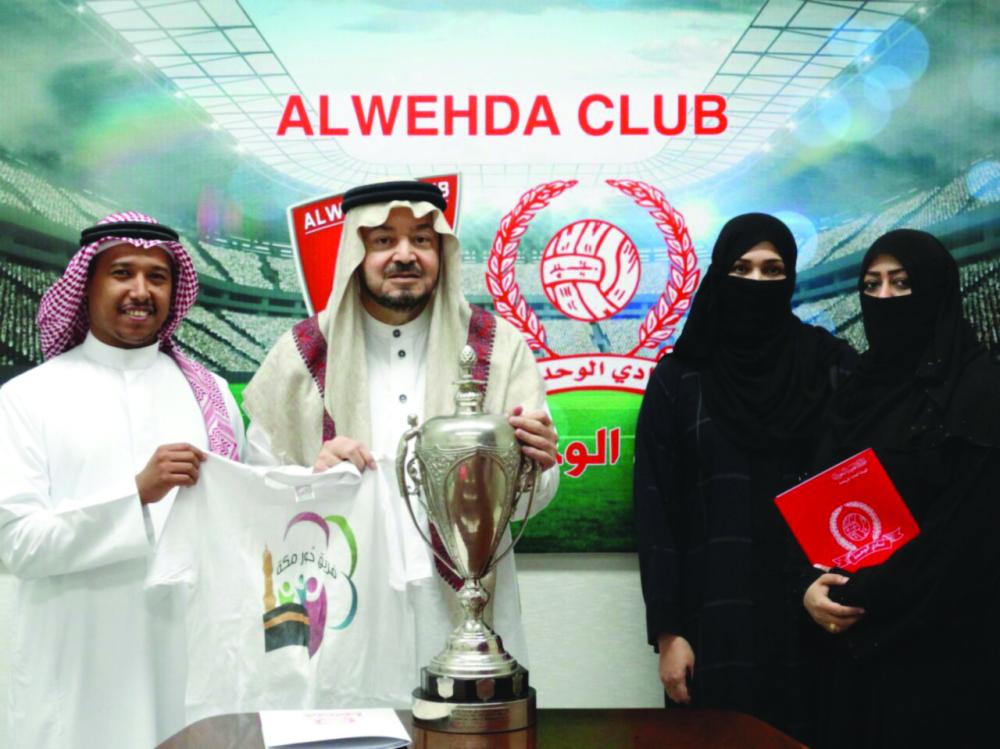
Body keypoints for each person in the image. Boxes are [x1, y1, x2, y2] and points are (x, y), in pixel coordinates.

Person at [242, 180, 559, 687]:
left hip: (463, 612)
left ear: (442, 252)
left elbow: (532, 499)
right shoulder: (301, 355)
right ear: (356, 253)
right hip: (343, 611)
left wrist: (537, 466)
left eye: (422, 240)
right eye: (384, 240)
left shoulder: (497, 347)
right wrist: (313, 481)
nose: (405, 255)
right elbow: (256, 494)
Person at [0, 212, 246, 749]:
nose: (141, 291)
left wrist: (327, 471)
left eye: (157, 277)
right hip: (73, 676)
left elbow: (247, 523)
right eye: (122, 273)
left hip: (188, 678)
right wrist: (135, 495)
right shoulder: (26, 399)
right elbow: (17, 545)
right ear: (86, 285)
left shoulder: (211, 397)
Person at [633, 213, 855, 742]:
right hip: (713, 621)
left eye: (772, 270)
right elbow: (655, 512)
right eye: (742, 268)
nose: (757, 282)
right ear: (719, 274)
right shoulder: (679, 378)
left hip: (814, 617)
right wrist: (669, 633)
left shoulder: (830, 366)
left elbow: (858, 489)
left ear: (791, 277)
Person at [802, 229, 999, 748]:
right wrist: (813, 589)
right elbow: (821, 501)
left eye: (902, 282)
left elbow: (966, 537)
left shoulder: (978, 391)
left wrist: (862, 597)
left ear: (936, 288)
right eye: (872, 285)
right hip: (850, 651)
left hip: (943, 657)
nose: (884, 297)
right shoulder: (856, 391)